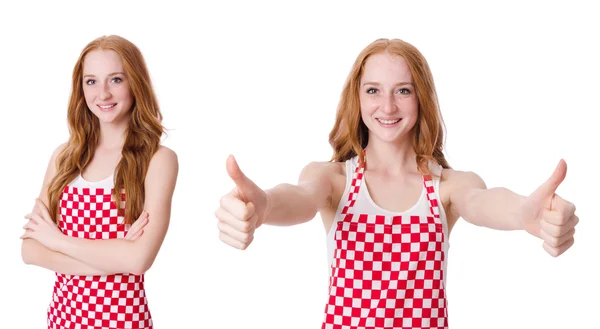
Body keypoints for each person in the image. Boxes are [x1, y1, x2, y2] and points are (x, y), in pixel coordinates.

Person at [215, 38, 578, 328]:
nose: (387, 106)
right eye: (373, 90)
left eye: (403, 91)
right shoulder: (334, 179)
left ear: (421, 99)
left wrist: (524, 213)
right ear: (356, 98)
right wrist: (262, 206)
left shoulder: (448, 186)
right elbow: (298, 198)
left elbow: (482, 201)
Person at [20, 35, 178, 329]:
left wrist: (56, 241)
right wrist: (113, 257)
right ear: (80, 88)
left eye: (115, 80)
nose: (102, 94)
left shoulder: (158, 159)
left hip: (122, 320)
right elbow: (30, 251)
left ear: (136, 83)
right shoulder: (64, 157)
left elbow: (138, 260)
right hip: (62, 320)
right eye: (91, 81)